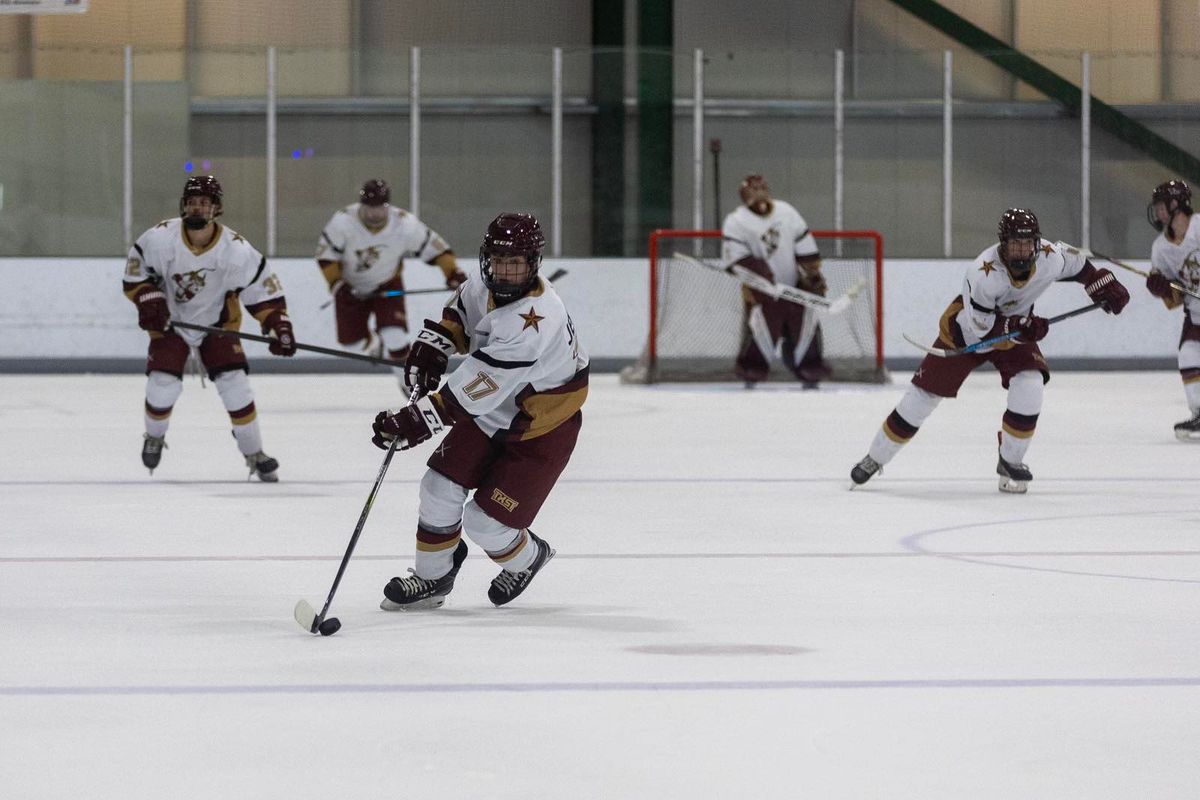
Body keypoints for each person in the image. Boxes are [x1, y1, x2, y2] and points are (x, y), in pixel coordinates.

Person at [369, 212, 588, 608]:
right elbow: (458, 317)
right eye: (499, 261)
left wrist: (416, 421)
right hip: (499, 403)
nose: (504, 272)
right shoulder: (481, 284)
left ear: (532, 263)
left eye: (515, 263)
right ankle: (431, 579)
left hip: (541, 423)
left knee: (484, 522)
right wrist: (433, 346)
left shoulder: (534, 323)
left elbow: (471, 392)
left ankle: (528, 558)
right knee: (438, 487)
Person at [849, 208, 1130, 493]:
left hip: (1016, 331)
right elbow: (982, 329)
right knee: (921, 398)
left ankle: (1010, 461)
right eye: (1014, 244)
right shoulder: (983, 273)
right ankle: (875, 458)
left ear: (1036, 243)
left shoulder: (1049, 256)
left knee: (1031, 384)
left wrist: (1100, 284)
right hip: (966, 335)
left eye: (1027, 243)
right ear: (1002, 244)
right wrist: (1021, 325)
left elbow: (1079, 266)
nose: (1022, 251)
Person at [122, 175, 296, 480]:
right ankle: (154, 436)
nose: (196, 209)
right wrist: (148, 298)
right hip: (170, 323)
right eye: (191, 203)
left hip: (218, 326)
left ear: (216, 209)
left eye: (204, 203)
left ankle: (254, 453)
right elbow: (136, 273)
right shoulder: (160, 238)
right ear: (183, 206)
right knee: (163, 384)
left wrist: (278, 325)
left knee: (236, 386)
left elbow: (262, 292)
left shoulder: (236, 250)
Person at [315, 179, 466, 387]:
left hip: (388, 284)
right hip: (349, 288)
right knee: (352, 343)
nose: (375, 214)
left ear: (388, 206)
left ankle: (407, 382)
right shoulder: (343, 222)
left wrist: (452, 272)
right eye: (370, 208)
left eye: (381, 208)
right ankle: (374, 344)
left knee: (395, 336)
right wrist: (337, 285)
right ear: (361, 206)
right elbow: (326, 257)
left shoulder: (404, 224)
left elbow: (436, 248)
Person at [722, 174, 831, 388]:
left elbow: (803, 242)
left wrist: (812, 273)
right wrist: (759, 273)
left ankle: (810, 372)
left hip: (793, 288)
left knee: (804, 328)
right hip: (761, 292)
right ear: (745, 197)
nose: (759, 196)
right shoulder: (736, 221)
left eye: (762, 190)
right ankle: (751, 373)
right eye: (753, 192)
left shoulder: (786, 211)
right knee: (760, 329)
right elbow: (735, 257)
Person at [1145, 179, 1200, 440]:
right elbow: (1175, 299)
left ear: (1176, 204)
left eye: (1161, 206)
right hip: (1196, 315)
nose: (1158, 212)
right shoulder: (1160, 248)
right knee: (1188, 354)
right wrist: (1162, 289)